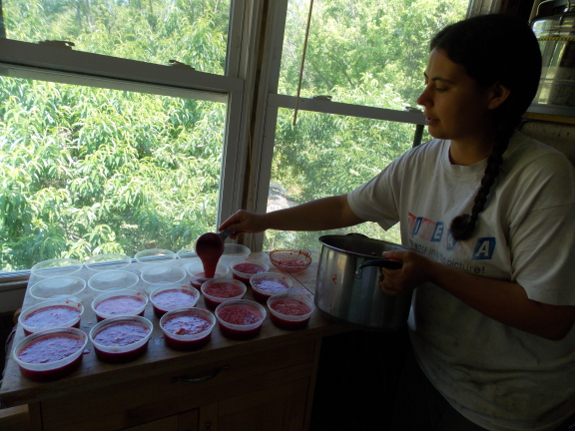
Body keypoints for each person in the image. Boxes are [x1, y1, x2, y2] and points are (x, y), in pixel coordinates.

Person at [219, 13, 575, 431]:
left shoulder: (543, 178)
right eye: (427, 81)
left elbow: (551, 318)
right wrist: (262, 220)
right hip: (429, 369)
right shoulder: (421, 162)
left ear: (495, 94)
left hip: (509, 405)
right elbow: (342, 209)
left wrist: (433, 274)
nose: (423, 97)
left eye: (441, 87)